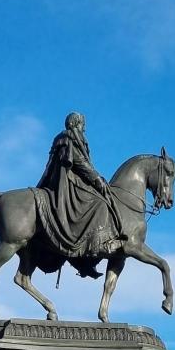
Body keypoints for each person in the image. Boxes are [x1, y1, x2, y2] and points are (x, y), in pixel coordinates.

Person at [32, 113, 124, 273]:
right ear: (75, 124)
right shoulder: (72, 138)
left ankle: (85, 260)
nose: (84, 128)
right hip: (68, 183)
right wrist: (97, 179)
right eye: (83, 124)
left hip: (64, 180)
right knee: (100, 203)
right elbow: (80, 162)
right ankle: (92, 248)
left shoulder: (64, 138)